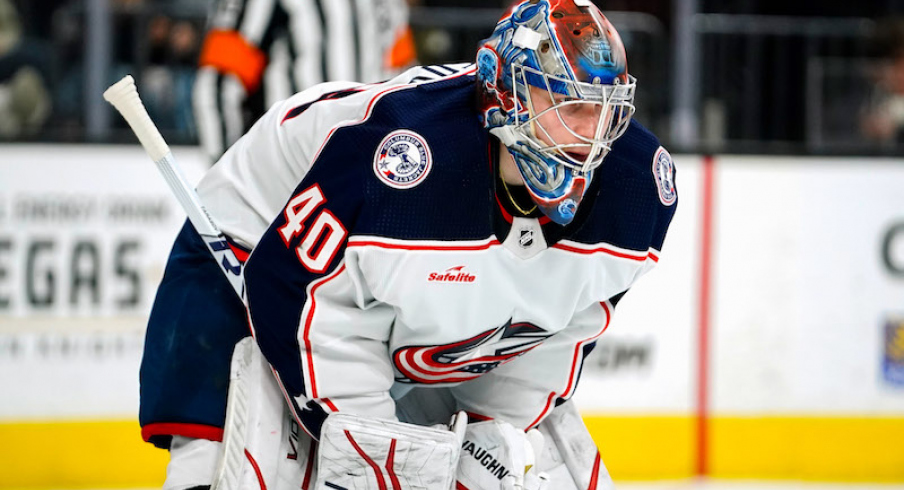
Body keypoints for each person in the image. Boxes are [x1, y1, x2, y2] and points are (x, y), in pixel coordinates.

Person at [140, 1, 677, 488]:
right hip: (255, 241)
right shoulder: (403, 165)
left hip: (365, 268)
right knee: (221, 469)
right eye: (565, 102)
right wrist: (372, 448)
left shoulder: (637, 186)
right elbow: (310, 306)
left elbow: (556, 328)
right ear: (505, 93)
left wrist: (492, 430)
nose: (590, 135)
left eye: (602, 107)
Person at [192, 0, 417, 163]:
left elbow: (404, 84)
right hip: (293, 176)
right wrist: (231, 188)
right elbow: (217, 86)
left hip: (371, 175)